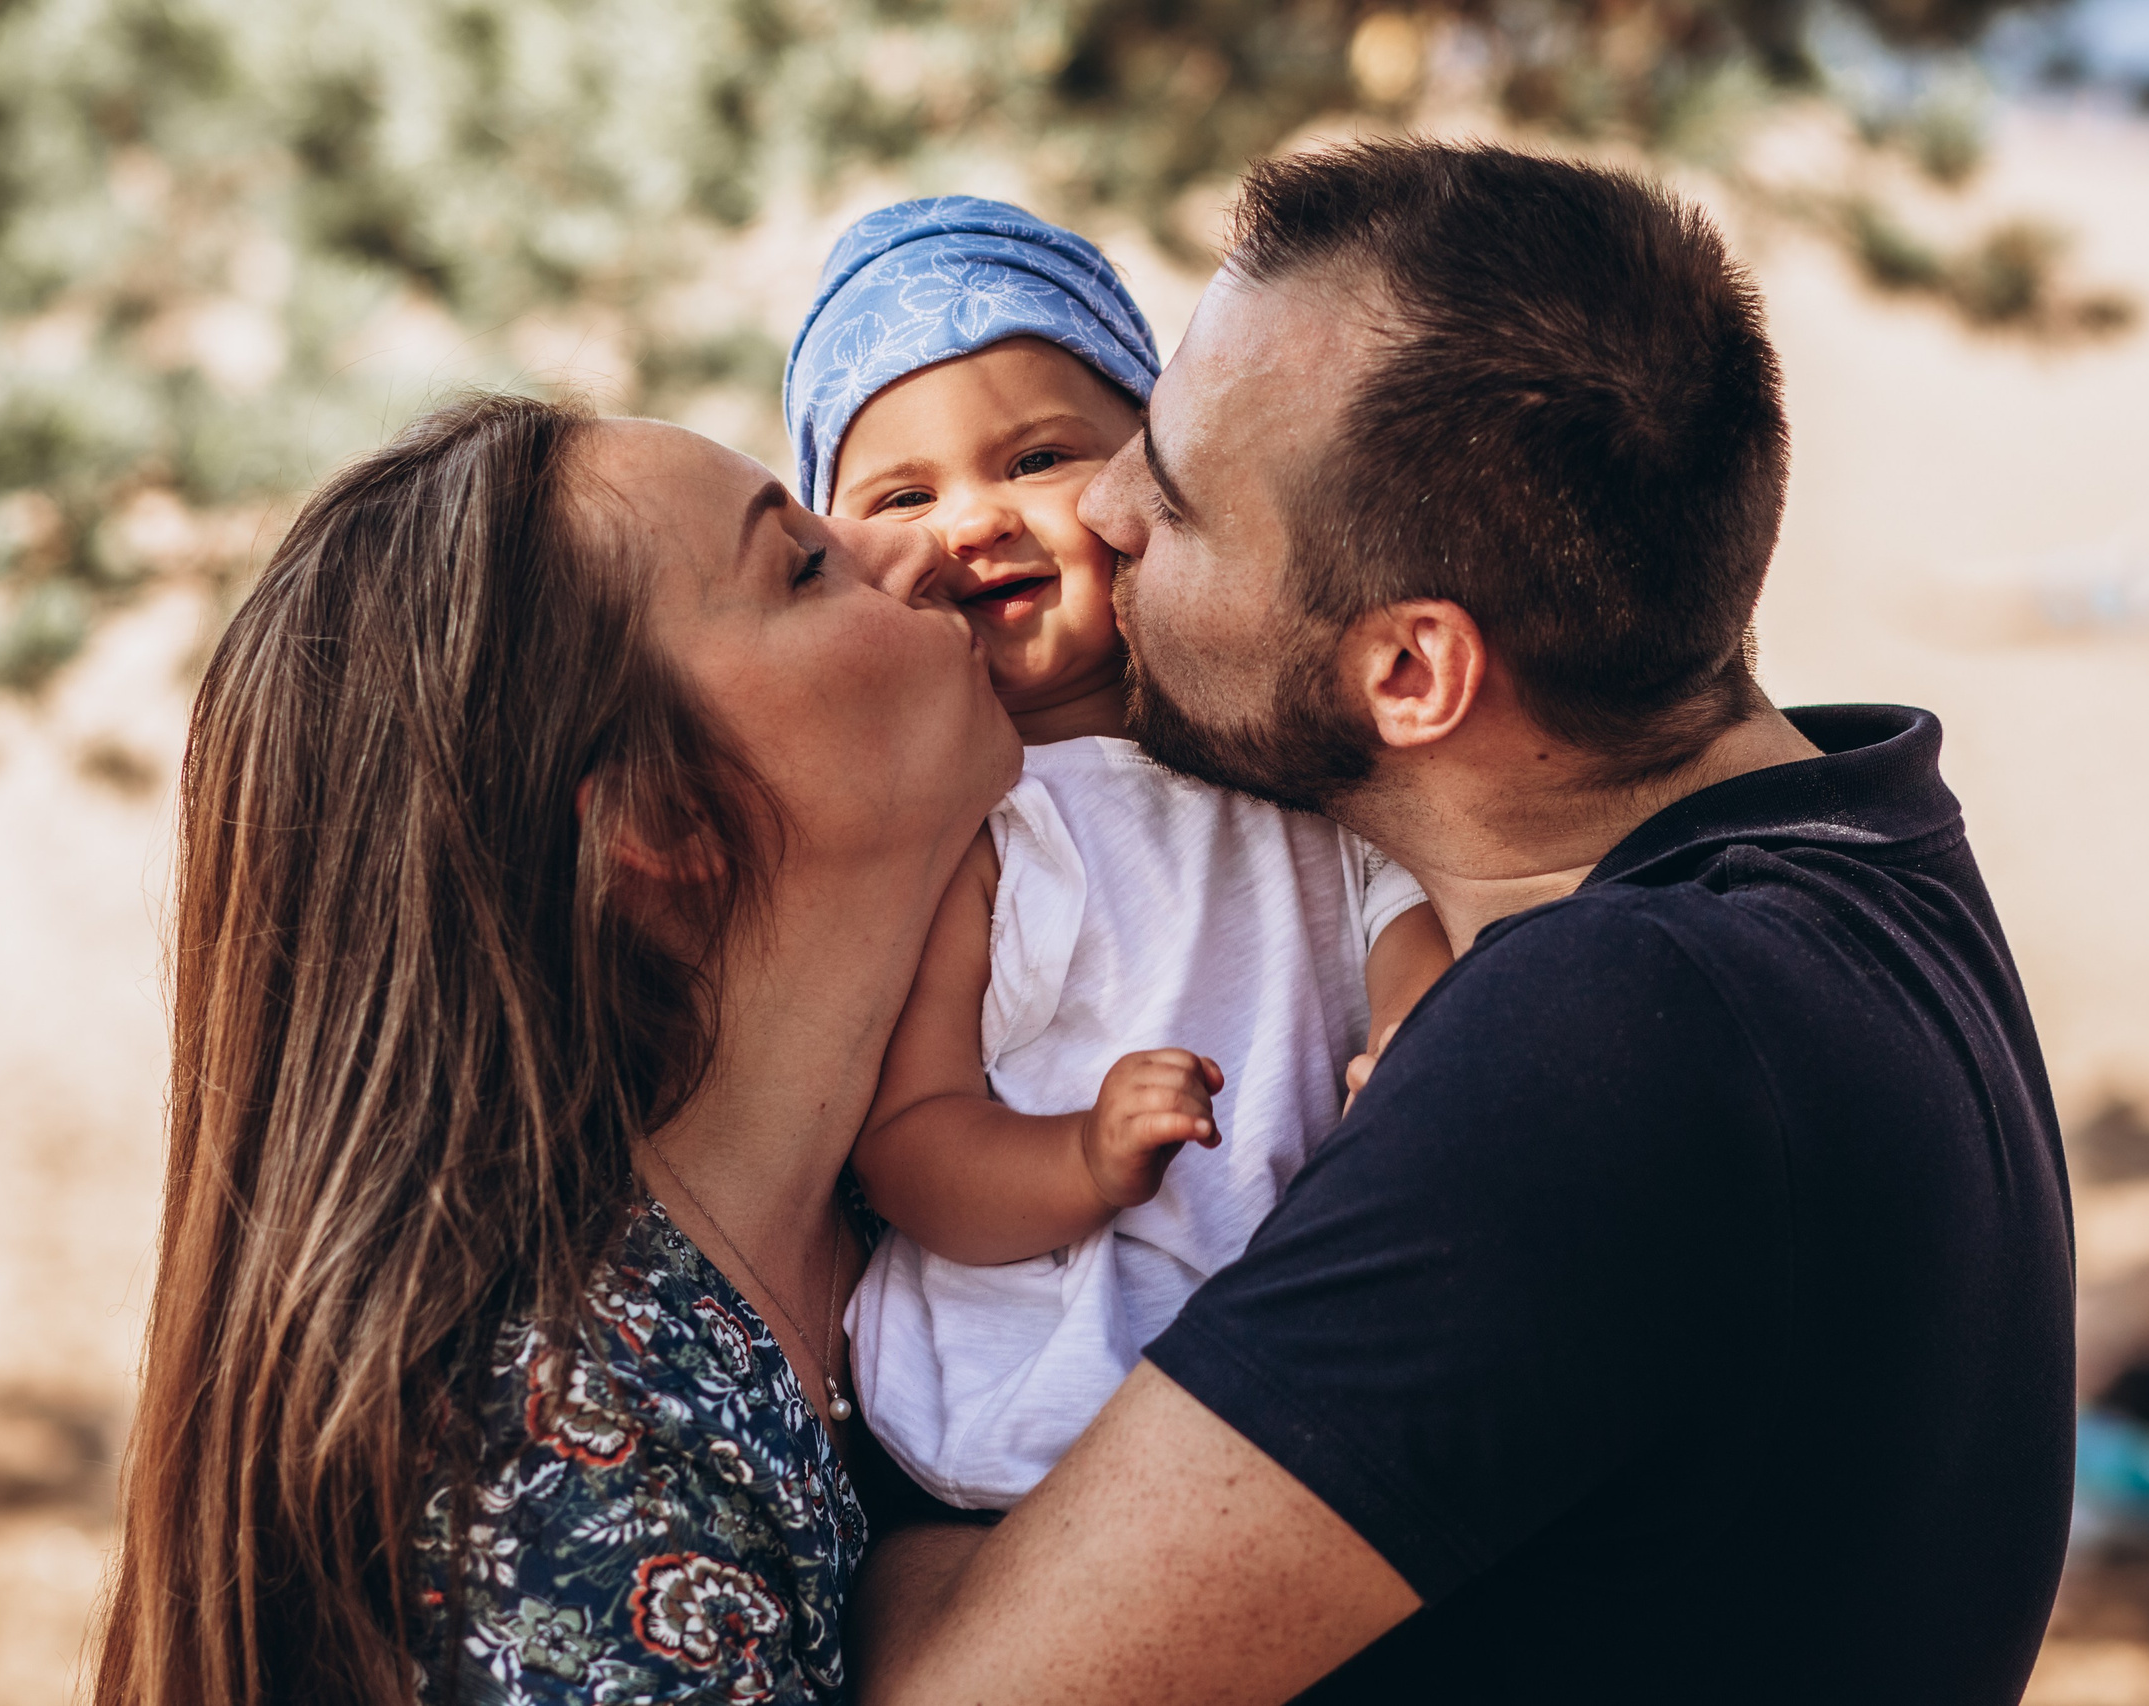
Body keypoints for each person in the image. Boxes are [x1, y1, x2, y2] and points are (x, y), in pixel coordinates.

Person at [856, 141, 2074, 1704]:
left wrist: (876, 1541)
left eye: (1175, 496)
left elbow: (968, 1692)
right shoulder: (1865, 849)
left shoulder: (1607, 1038)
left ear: (1413, 673)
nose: (1098, 512)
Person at [94, 394, 1018, 1705]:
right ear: (661, 809)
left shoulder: (957, 1185)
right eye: (804, 562)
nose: (914, 547)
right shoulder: (544, 1490)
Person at [781, 197, 1448, 1514]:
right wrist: (1081, 1156)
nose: (973, 522)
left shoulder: (1277, 750)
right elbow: (911, 1145)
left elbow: (1404, 909)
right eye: (906, 496)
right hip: (1050, 1382)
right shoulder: (961, 827)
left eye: (1035, 460)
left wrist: (1420, 1063)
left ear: (1149, 478)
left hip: (1313, 1346)